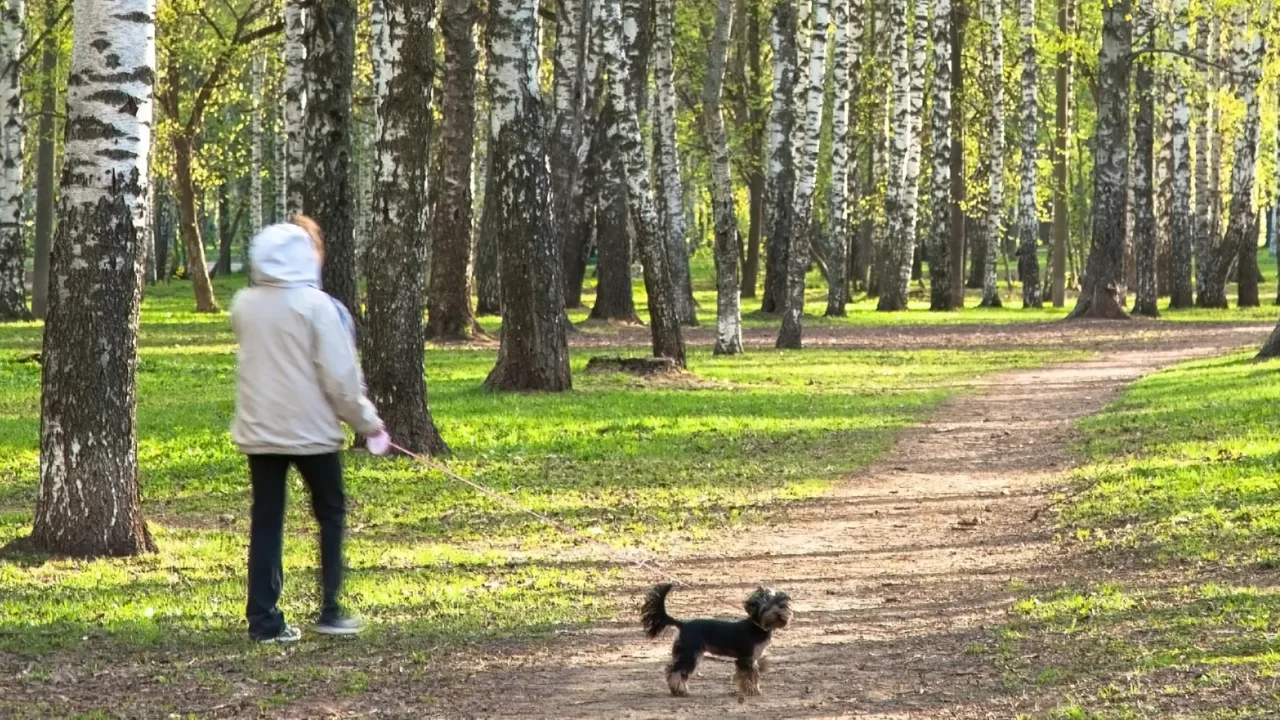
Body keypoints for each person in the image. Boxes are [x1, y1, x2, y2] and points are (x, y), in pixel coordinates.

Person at [231, 216, 389, 643]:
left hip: (260, 430)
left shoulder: (245, 303)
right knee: (331, 513)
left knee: (267, 521)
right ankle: (331, 608)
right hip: (312, 432)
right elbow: (340, 377)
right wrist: (368, 423)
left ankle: (263, 620)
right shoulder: (316, 306)